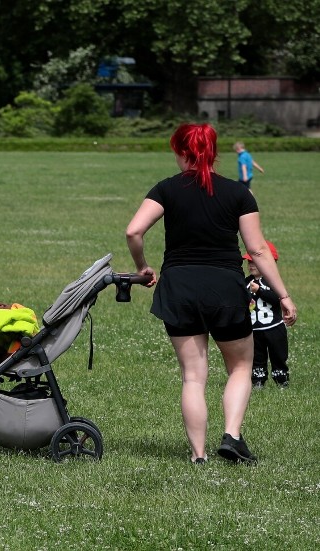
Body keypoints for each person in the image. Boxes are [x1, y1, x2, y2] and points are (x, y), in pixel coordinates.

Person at [126, 123, 297, 465]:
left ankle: (198, 455)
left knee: (193, 376)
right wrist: (283, 295)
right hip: (225, 288)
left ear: (179, 151)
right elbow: (258, 250)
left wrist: (143, 267)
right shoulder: (238, 193)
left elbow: (133, 230)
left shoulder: (166, 189)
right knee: (240, 366)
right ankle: (232, 436)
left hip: (179, 286)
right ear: (214, 152)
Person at [244, 240, 291, 388]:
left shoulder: (272, 282)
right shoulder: (246, 282)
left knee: (278, 354)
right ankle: (258, 380)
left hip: (274, 327)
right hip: (254, 329)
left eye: (254, 262)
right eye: (249, 262)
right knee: (257, 357)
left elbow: (276, 300)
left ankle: (281, 379)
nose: (251, 265)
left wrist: (259, 290)